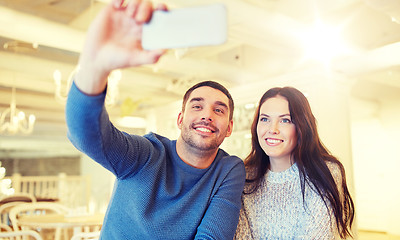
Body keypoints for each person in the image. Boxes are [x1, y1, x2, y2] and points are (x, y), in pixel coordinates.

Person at [65, 0, 245, 239]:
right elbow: (85, 136)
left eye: (219, 110)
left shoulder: (228, 170)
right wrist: (95, 66)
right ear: (180, 119)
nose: (206, 115)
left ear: (230, 127)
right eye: (197, 106)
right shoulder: (146, 154)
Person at [234, 87, 355, 239]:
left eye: (285, 120)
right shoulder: (244, 177)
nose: (273, 129)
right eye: (264, 119)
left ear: (302, 126)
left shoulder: (326, 172)